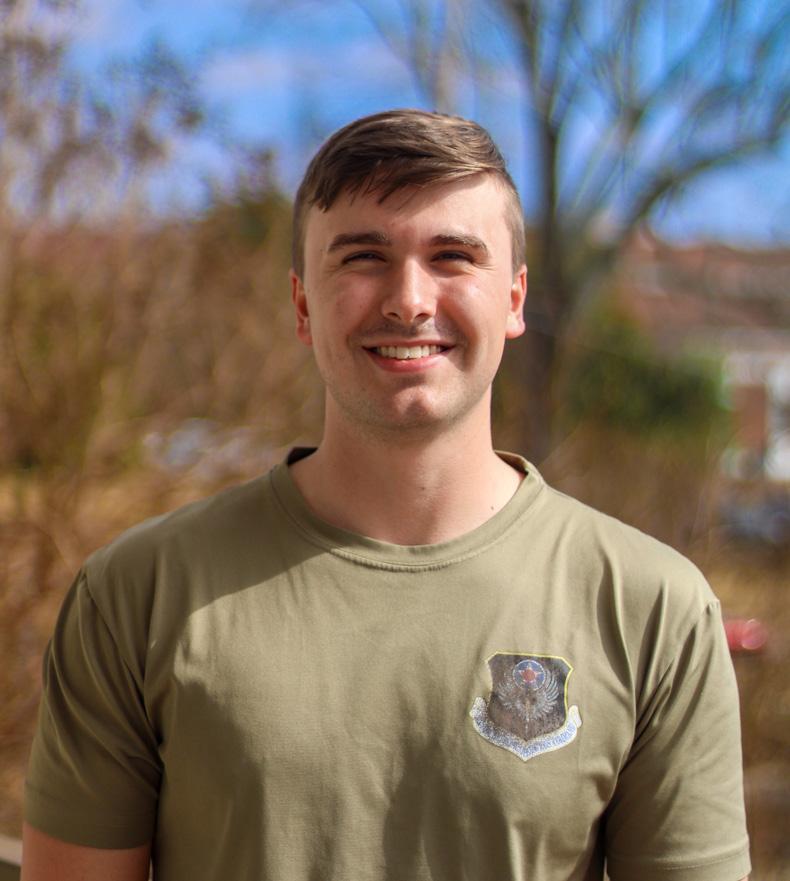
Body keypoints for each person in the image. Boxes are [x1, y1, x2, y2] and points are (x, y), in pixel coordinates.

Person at [22, 109, 750, 881]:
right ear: (303, 305)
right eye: (364, 257)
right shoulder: (138, 595)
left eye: (452, 256)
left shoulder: (653, 610)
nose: (409, 300)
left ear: (514, 299)